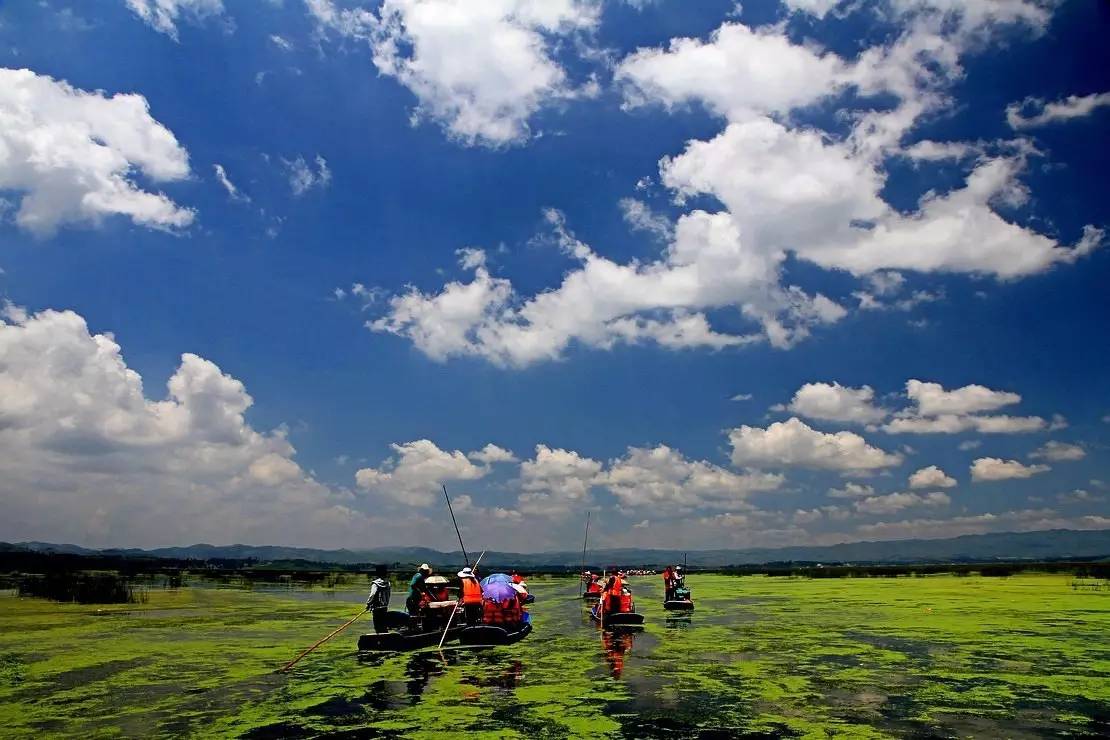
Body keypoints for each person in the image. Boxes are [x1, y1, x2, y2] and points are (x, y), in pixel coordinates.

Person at [365, 564, 392, 633]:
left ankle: (380, 640)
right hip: (384, 608)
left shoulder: (375, 584)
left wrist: (368, 604)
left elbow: (372, 594)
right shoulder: (388, 583)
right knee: (383, 625)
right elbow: (388, 595)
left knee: (377, 626)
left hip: (377, 609)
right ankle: (385, 639)